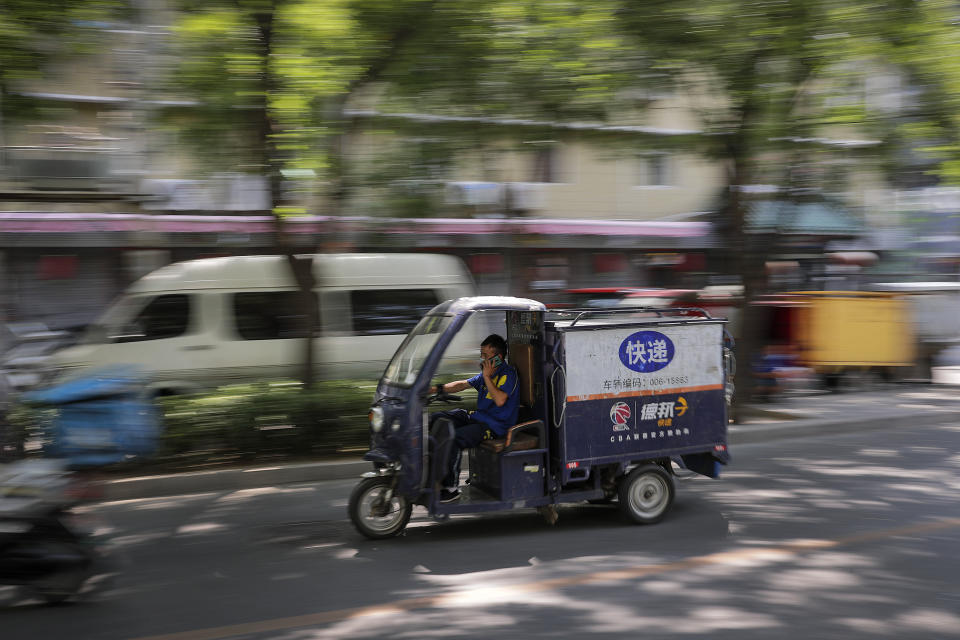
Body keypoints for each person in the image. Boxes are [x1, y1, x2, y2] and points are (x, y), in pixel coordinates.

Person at [430, 334, 519, 502]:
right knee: (437, 419)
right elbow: (462, 384)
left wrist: (486, 377)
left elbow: (500, 400)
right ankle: (433, 475)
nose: (482, 359)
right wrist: (434, 389)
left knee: (455, 439)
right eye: (482, 355)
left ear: (498, 358)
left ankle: (451, 488)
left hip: (494, 427)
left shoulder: (508, 374)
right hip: (477, 417)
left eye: (485, 356)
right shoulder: (487, 375)